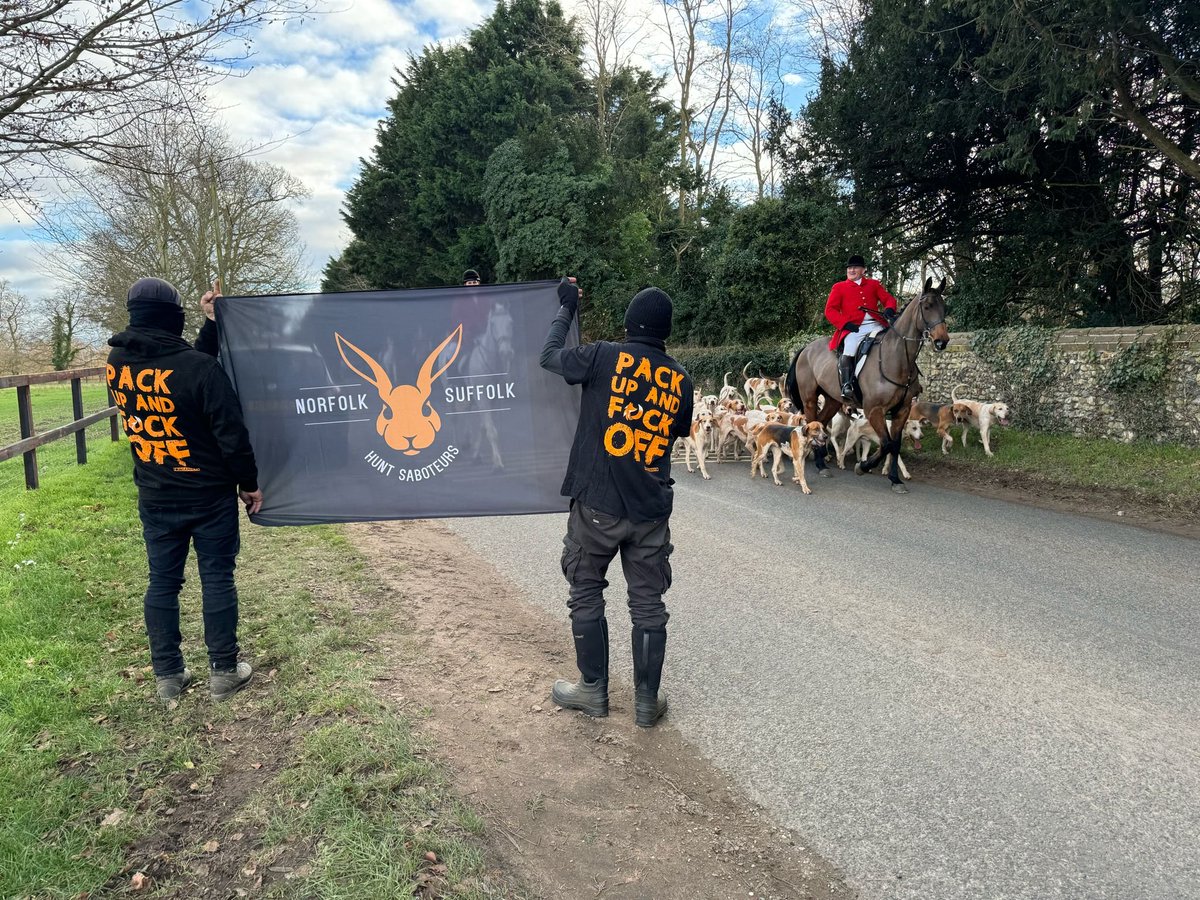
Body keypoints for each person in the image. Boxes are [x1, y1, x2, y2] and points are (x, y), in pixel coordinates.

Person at [540, 279, 694, 728]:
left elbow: (549, 357)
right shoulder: (680, 377)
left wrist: (566, 308)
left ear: (629, 324)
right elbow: (679, 429)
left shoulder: (604, 355)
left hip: (597, 506)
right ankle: (646, 703)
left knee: (586, 589)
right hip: (650, 510)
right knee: (648, 604)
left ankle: (593, 690)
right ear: (666, 331)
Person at [106, 277, 262, 704]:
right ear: (173, 318)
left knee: (162, 582)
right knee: (216, 578)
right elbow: (232, 434)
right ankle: (224, 672)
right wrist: (249, 485)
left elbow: (180, 367)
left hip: (155, 493)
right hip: (208, 494)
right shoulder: (200, 370)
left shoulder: (117, 361)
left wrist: (211, 324)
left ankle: (168, 676)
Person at [825, 254, 899, 399]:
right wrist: (845, 324)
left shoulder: (873, 284)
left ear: (863, 270)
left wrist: (889, 308)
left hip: (876, 325)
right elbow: (830, 310)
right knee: (849, 349)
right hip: (854, 328)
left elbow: (888, 299)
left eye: (855, 268)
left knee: (896, 342)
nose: (851, 270)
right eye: (849, 268)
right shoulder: (839, 287)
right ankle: (847, 384)